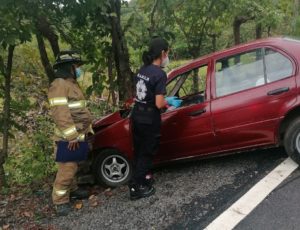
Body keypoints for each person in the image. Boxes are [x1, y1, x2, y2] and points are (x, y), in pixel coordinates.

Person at [48, 50, 94, 216]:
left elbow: (78, 110)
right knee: (66, 170)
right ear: (68, 67)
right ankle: (59, 201)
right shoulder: (59, 85)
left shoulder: (70, 84)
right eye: (76, 66)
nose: (78, 69)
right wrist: (71, 136)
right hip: (67, 138)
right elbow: (61, 113)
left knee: (73, 167)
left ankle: (72, 190)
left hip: (76, 135)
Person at [129, 37, 170, 200]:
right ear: (162, 53)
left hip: (137, 114)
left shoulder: (142, 70)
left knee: (139, 151)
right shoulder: (159, 74)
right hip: (149, 118)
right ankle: (135, 187)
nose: (167, 56)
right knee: (147, 152)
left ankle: (145, 178)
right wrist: (168, 102)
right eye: (167, 52)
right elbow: (159, 103)